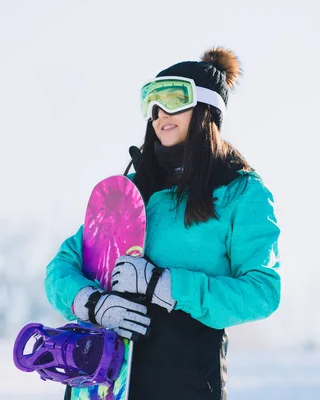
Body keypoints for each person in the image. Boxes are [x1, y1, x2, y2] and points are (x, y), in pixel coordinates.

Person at [44, 46, 281, 400]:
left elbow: (263, 292)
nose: (159, 114)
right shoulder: (130, 192)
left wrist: (166, 285)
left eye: (172, 99)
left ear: (206, 108)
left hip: (184, 383)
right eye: (152, 104)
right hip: (103, 383)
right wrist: (93, 303)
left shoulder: (240, 193)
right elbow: (61, 267)